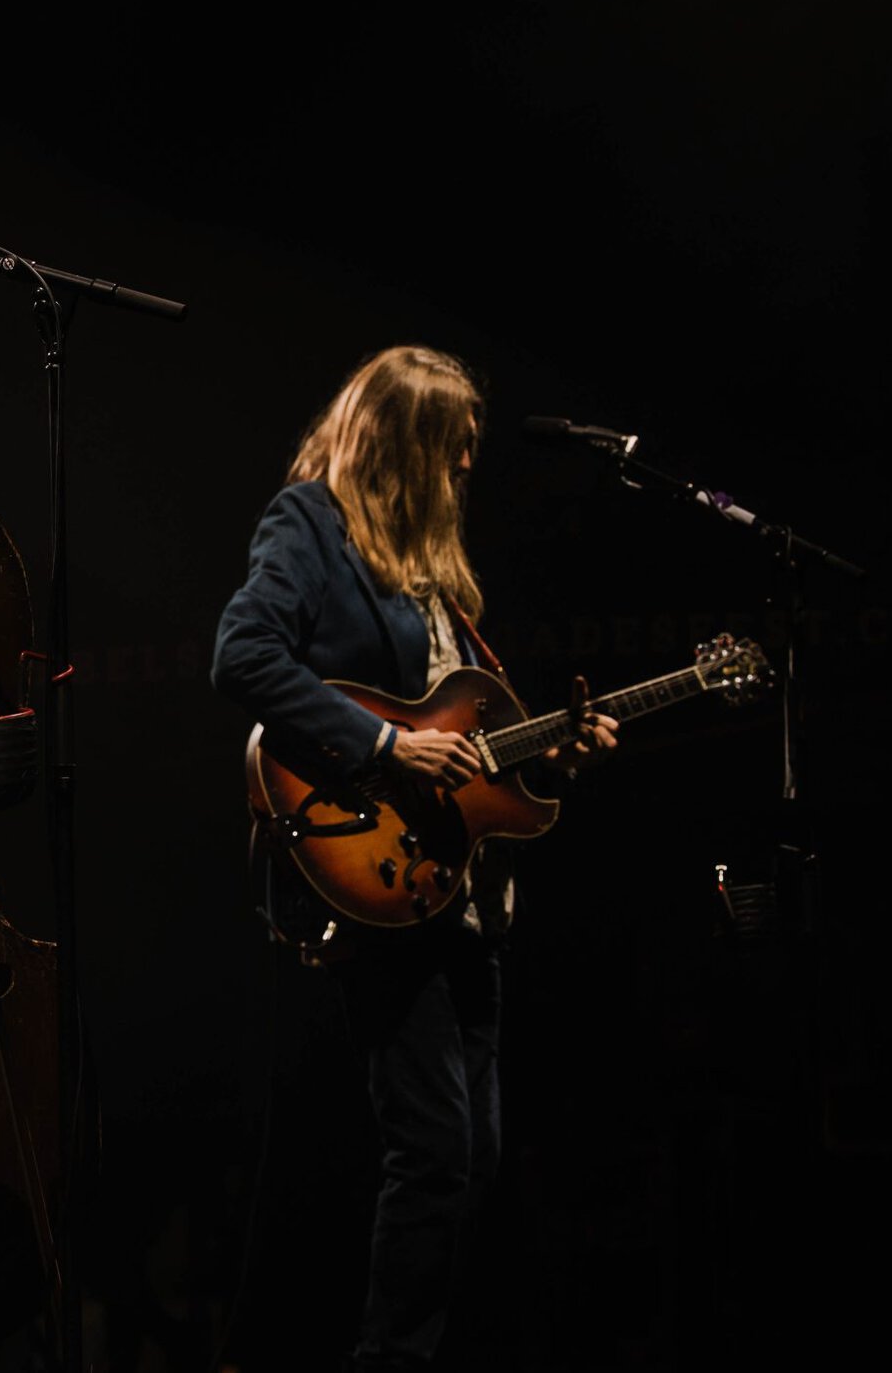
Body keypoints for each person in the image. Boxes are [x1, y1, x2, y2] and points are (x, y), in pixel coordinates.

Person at [211, 345, 619, 1371]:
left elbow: (475, 757)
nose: (467, 469)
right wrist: (387, 745)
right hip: (381, 878)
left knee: (470, 1155)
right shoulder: (312, 524)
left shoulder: (438, 591)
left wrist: (553, 750)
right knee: (434, 1151)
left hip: (462, 894)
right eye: (455, 448)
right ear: (406, 444)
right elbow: (243, 653)